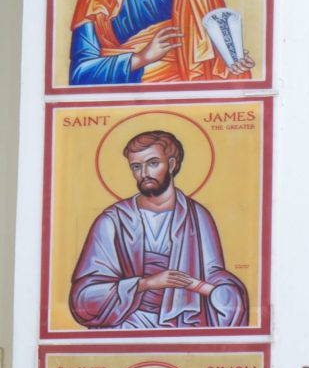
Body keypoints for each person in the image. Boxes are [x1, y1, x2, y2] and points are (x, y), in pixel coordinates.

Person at [69, 130, 249, 329]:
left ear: (171, 165)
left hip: (184, 322)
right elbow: (84, 298)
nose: (144, 173)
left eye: (153, 163)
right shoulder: (112, 221)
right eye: (136, 167)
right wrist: (146, 284)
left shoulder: (197, 217)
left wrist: (197, 286)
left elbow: (214, 276)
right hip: (125, 323)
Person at [69, 0, 256, 85]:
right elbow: (79, 75)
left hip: (189, 102)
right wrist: (142, 58)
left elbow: (215, 69)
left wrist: (235, 67)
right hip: (124, 102)